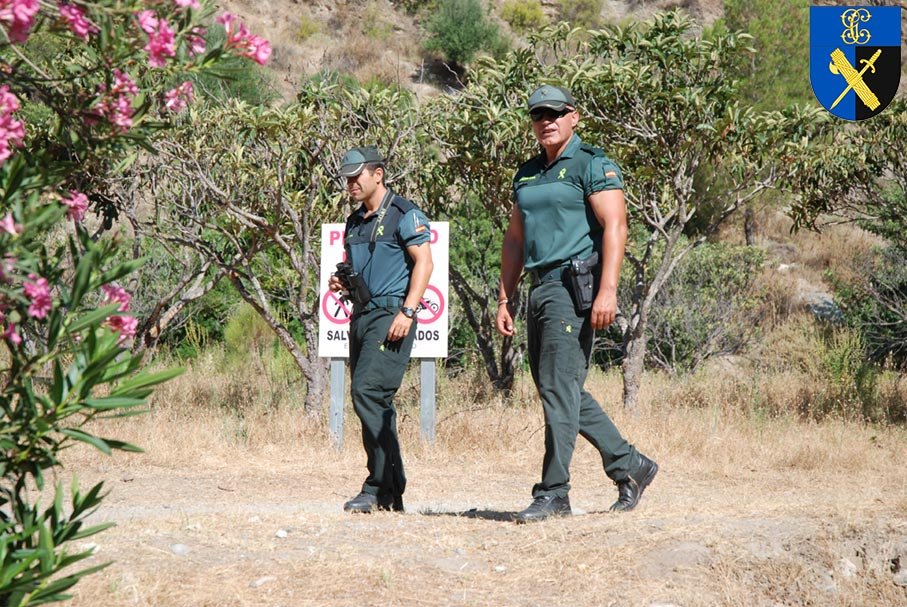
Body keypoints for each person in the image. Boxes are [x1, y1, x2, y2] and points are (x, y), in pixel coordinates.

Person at [496, 85, 658, 523]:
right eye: (538, 115)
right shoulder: (527, 173)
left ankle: (554, 493)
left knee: (557, 387)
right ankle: (630, 466)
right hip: (538, 287)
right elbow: (515, 239)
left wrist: (608, 290)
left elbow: (616, 226)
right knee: (560, 387)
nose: (546, 121)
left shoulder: (591, 164)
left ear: (574, 118)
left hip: (573, 288)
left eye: (555, 113)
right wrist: (504, 297)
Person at [329, 145, 433, 514]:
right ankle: (391, 490)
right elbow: (355, 265)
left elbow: (424, 262)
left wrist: (407, 311)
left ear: (378, 174)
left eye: (357, 176)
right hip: (361, 315)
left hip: (391, 313)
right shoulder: (354, 221)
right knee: (374, 401)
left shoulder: (405, 214)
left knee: (367, 392)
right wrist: (341, 284)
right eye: (347, 178)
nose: (351, 183)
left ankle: (377, 485)